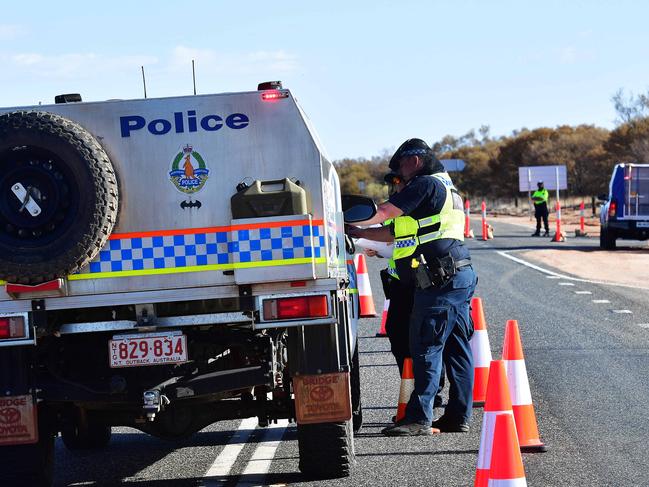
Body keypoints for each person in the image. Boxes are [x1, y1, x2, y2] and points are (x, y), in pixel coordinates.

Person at [346, 138, 477, 436]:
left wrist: (343, 217)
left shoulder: (424, 182)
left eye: (400, 168)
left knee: (425, 345)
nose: (399, 175)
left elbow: (384, 213)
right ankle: (458, 416)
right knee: (456, 347)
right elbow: (390, 230)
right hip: (457, 273)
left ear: (415, 161)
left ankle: (419, 418)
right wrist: (355, 231)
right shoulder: (445, 188)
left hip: (439, 277)